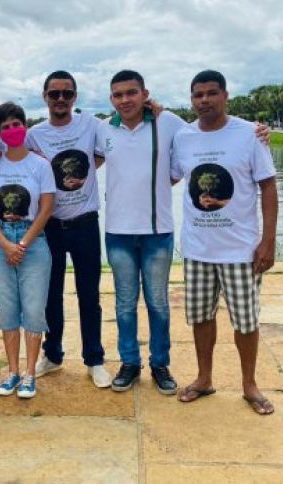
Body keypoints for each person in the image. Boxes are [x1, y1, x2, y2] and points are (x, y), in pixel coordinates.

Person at [171, 70, 278, 415]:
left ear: (225, 95)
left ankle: (250, 385)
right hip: (197, 249)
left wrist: (268, 240)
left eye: (211, 93)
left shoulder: (249, 134)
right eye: (198, 95)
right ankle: (204, 378)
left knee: (245, 320)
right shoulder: (183, 137)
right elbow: (169, 177)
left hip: (240, 250)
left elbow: (268, 186)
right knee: (201, 317)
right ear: (192, 99)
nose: (204, 100)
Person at [96, 70, 187, 395]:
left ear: (144, 94)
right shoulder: (103, 128)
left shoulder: (168, 122)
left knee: (158, 303)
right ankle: (129, 363)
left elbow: (202, 139)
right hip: (118, 231)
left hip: (157, 231)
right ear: (111, 99)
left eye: (131, 92)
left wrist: (255, 132)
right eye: (118, 95)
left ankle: (160, 363)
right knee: (124, 304)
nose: (125, 100)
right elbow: (76, 157)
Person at [26, 71, 111, 388]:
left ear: (75, 97)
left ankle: (94, 359)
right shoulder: (34, 134)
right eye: (54, 94)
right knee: (51, 295)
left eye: (66, 93)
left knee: (89, 294)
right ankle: (53, 354)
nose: (60, 99)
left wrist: (151, 108)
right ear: (45, 97)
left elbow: (111, 141)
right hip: (49, 225)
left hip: (85, 222)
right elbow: (16, 158)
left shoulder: (91, 124)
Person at [0, 102, 55, 399]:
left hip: (33, 241)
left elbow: (46, 208)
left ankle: (29, 373)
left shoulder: (40, 165)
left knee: (34, 309)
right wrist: (3, 242)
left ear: (25, 126)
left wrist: (22, 244)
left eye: (16, 124)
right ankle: (12, 371)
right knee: (8, 308)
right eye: (6, 127)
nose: (12, 130)